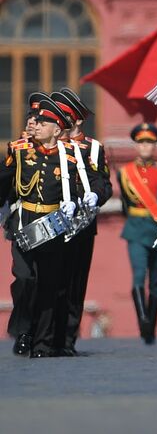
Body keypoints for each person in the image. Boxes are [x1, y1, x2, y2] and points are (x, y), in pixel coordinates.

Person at [2, 94, 82, 358]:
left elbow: (79, 187)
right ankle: (23, 330)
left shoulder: (69, 156)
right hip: (24, 223)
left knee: (49, 285)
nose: (35, 125)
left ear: (57, 129)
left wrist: (78, 203)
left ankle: (42, 343)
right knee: (25, 280)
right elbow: (6, 183)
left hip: (52, 227)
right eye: (34, 120)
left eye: (42, 122)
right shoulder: (19, 150)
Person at [52, 87, 110, 355]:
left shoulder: (92, 148)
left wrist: (95, 196)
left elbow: (104, 183)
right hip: (51, 219)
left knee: (75, 282)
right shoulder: (47, 147)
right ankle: (43, 334)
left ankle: (67, 338)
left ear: (76, 120)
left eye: (63, 116)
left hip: (81, 222)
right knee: (48, 280)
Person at [117, 123, 157, 344]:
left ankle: (151, 325)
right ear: (136, 146)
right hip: (135, 229)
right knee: (138, 275)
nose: (145, 147)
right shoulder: (124, 173)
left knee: (156, 282)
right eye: (142, 143)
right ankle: (142, 319)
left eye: (149, 143)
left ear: (154, 146)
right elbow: (125, 203)